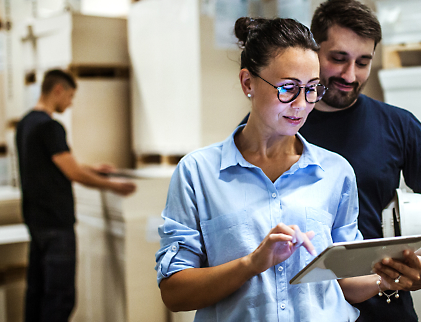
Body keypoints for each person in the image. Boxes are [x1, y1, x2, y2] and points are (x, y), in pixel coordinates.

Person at [242, 0, 421, 321]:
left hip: (382, 309)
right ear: (314, 51)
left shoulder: (397, 125)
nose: (350, 75)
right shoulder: (275, 124)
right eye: (338, 58)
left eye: (363, 62)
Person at [155, 17, 403, 321]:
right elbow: (174, 293)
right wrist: (252, 263)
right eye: (288, 88)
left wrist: (388, 277)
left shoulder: (336, 172)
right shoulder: (198, 173)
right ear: (248, 83)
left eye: (312, 89)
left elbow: (344, 280)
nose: (301, 104)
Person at [16, 69, 137, 322]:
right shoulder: (51, 126)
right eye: (70, 96)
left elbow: (51, 165)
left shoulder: (26, 123)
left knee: (37, 292)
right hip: (56, 224)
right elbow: (73, 173)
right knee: (60, 297)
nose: (70, 103)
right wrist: (114, 185)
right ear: (58, 90)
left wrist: (93, 168)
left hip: (36, 221)